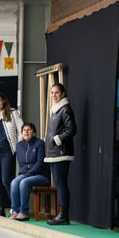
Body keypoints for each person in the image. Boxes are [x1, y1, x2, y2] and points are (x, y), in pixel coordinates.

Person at [44, 83, 77, 225]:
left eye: (56, 92)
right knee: (59, 184)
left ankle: (64, 216)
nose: (54, 95)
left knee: (61, 184)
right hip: (53, 153)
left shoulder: (65, 109)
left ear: (63, 94)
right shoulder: (55, 110)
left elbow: (72, 129)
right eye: (52, 93)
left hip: (62, 152)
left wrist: (57, 140)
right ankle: (62, 215)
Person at [10, 122, 50, 221]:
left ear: (34, 133)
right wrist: (26, 174)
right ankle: (15, 211)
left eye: (29, 130)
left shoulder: (40, 143)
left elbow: (40, 163)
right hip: (26, 174)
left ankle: (24, 212)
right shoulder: (19, 145)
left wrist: (28, 174)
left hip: (41, 176)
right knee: (14, 182)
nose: (26, 132)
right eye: (24, 130)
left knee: (24, 182)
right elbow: (22, 165)